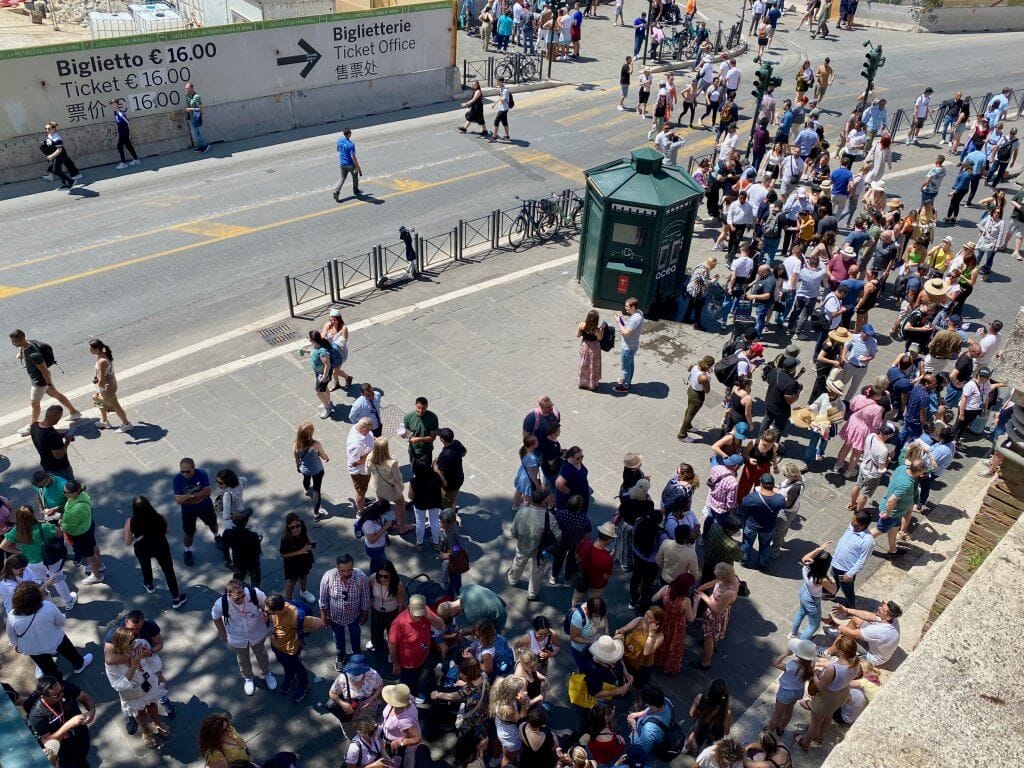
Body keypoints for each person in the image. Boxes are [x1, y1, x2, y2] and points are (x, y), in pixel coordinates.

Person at [6, 582, 93, 680]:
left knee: (48, 668)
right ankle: (79, 664)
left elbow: (13, 640)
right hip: (55, 640)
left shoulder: (11, 616)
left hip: (33, 649)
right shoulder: (47, 606)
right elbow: (61, 622)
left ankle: (57, 683)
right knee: (69, 650)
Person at [104, 626, 169, 748]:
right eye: (129, 642)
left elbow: (152, 659)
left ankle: (157, 723)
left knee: (153, 705)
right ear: (120, 644)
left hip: (149, 682)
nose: (134, 643)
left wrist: (159, 674)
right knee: (140, 712)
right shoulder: (112, 665)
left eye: (133, 639)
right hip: (133, 691)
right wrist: (134, 664)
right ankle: (146, 731)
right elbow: (117, 685)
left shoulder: (139, 644)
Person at [10, 330, 82, 438]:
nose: (13, 344)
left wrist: (49, 384)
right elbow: (26, 352)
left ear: (21, 339)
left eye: (14, 342)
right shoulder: (28, 344)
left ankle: (32, 426)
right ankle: (74, 412)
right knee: (55, 394)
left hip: (39, 382)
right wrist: (21, 355)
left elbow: (45, 371)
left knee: (35, 404)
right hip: (42, 381)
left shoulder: (33, 354)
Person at [1, 505, 75, 609]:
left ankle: (49, 605)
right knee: (58, 580)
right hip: (49, 560)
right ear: (32, 516)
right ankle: (69, 601)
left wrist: (20, 551)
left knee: (40, 585)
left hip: (31, 563)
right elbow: (59, 533)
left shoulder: (16, 531)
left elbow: (3, 546)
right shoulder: (43, 527)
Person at [212, 579, 277, 696]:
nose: (241, 600)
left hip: (257, 632)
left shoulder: (255, 594)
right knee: (243, 658)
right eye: (236, 599)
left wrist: (266, 614)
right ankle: (248, 677)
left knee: (261, 653)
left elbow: (266, 606)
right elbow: (215, 617)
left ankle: (267, 673)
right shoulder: (221, 604)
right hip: (237, 637)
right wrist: (223, 635)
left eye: (242, 596)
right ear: (228, 594)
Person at [795, 635, 859, 752]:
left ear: (842, 652)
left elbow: (820, 686)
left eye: (837, 647)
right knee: (828, 716)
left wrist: (814, 673)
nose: (834, 648)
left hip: (827, 699)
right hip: (842, 693)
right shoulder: (856, 662)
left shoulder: (833, 669)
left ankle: (805, 743)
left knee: (815, 723)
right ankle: (819, 738)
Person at [124, 496, 187, 607]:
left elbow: (128, 542)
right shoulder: (159, 516)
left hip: (142, 548)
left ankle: (149, 585)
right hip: (160, 546)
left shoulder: (130, 522)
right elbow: (167, 531)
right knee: (168, 571)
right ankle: (176, 598)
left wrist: (136, 534)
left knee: (145, 565)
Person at [267, 592, 326, 702]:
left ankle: (304, 685)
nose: (266, 611)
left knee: (297, 667)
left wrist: (298, 632)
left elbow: (321, 623)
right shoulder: (273, 609)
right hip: (277, 645)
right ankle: (289, 677)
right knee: (285, 664)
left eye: (269, 611)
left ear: (277, 611)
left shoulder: (294, 617)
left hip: (290, 650)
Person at [28, 676, 96, 768]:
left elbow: (85, 697)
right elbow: (47, 741)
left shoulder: (64, 687)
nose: (62, 694)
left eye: (61, 690)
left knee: (83, 758)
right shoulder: (37, 715)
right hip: (63, 748)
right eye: (57, 695)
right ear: (43, 696)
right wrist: (68, 725)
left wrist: (91, 712)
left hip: (80, 734)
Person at [320, 554, 371, 671]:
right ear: (337, 568)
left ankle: (357, 654)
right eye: (342, 571)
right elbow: (323, 600)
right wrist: (324, 617)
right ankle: (340, 655)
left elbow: (366, 598)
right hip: (335, 617)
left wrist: (364, 614)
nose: (346, 573)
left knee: (355, 635)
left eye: (349, 570)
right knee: (338, 637)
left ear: (353, 567)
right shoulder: (328, 577)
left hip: (354, 616)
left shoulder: (361, 578)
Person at [508, 489, 560, 601]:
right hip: (540, 551)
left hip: (523, 545)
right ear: (543, 502)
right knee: (537, 573)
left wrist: (519, 538)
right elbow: (558, 535)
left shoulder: (521, 512)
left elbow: (513, 531)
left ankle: (513, 580)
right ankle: (532, 594)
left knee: (518, 563)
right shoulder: (549, 517)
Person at [389, 594, 445, 694]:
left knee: (421, 677)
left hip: (424, 658)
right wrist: (396, 664)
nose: (418, 617)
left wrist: (430, 617)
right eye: (416, 614)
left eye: (420, 614)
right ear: (409, 607)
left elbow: (441, 626)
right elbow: (392, 644)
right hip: (407, 665)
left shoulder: (426, 611)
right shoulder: (399, 623)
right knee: (407, 686)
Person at [872, 459, 926, 556]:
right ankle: (857, 543)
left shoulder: (901, 468)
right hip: (891, 514)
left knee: (894, 530)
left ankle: (893, 550)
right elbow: (891, 500)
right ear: (919, 472)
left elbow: (892, 479)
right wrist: (887, 514)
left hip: (897, 514)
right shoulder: (907, 484)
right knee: (877, 531)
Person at [826, 599, 902, 666]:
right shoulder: (893, 620)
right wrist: (846, 610)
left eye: (882, 609)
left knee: (845, 638)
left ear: (888, 617)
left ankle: (828, 652)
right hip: (882, 650)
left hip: (873, 657)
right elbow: (867, 615)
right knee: (855, 620)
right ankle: (838, 638)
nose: (879, 607)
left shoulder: (878, 630)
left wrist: (834, 624)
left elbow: (852, 633)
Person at [173, 457, 219, 566]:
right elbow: (179, 500)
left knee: (213, 523)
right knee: (189, 533)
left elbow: (207, 492)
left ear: (194, 468)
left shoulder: (202, 474)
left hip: (205, 507)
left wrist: (189, 496)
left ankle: (217, 536)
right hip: (188, 511)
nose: (185, 474)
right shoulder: (177, 479)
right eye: (182, 471)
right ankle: (187, 551)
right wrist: (198, 496)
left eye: (188, 471)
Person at [694, 563, 739, 670]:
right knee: (714, 635)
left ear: (724, 577)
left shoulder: (729, 592)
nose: (716, 578)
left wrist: (703, 596)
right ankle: (714, 644)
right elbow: (718, 581)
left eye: (718, 576)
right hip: (716, 610)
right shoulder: (732, 578)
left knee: (708, 638)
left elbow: (717, 610)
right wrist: (707, 585)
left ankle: (705, 663)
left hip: (716, 617)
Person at [766, 639, 815, 738]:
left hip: (786, 692)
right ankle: (781, 728)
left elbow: (776, 663)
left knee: (777, 714)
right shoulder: (811, 665)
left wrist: (786, 653)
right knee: (789, 710)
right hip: (798, 691)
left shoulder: (793, 665)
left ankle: (768, 733)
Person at [738, 474, 785, 570]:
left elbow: (742, 508)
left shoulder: (752, 497)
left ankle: (744, 560)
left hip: (751, 526)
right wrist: (778, 492)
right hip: (768, 528)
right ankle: (762, 563)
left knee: (746, 544)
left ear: (761, 484)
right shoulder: (779, 499)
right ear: (773, 485)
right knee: (766, 546)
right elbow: (784, 504)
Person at [366, 437, 411, 534]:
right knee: (400, 504)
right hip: (391, 489)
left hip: (377, 487)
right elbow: (398, 478)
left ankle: (387, 523)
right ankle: (402, 527)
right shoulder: (392, 462)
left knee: (383, 506)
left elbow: (367, 471)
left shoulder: (370, 456)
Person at [327, 654, 383, 729]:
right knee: (351, 728)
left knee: (368, 725)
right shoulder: (342, 678)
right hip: (350, 711)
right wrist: (342, 703)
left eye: (359, 673)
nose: (356, 676)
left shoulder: (373, 675)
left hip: (369, 710)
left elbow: (380, 685)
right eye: (353, 673)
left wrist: (372, 698)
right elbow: (332, 693)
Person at [684, 678, 732, 755]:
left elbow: (691, 713)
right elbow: (726, 731)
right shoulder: (726, 713)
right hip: (714, 736)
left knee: (693, 736)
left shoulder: (700, 698)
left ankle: (685, 749)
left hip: (699, 728)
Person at [571, 522, 615, 606]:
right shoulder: (607, 558)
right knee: (593, 602)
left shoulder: (584, 543)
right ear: (608, 539)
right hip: (597, 584)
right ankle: (589, 613)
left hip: (582, 577)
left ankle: (573, 608)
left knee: (577, 595)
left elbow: (577, 556)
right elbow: (606, 576)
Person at [381, 683, 424, 768]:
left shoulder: (404, 721)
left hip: (400, 750)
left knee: (405, 764)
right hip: (388, 743)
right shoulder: (409, 699)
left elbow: (417, 738)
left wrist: (400, 743)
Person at [294, 422, 330, 520]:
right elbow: (323, 455)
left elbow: (296, 458)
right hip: (317, 470)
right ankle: (316, 514)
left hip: (305, 469)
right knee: (316, 490)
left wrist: (298, 466)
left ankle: (306, 489)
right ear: (310, 433)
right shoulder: (316, 444)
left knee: (306, 479)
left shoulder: (296, 444)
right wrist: (326, 458)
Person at [369, 559, 406, 654]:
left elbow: (401, 601)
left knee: (392, 633)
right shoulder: (373, 578)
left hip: (392, 612)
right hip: (376, 610)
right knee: (376, 630)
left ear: (391, 575)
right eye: (380, 575)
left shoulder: (397, 584)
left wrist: (399, 617)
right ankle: (375, 643)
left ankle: (391, 652)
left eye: (386, 576)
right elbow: (369, 593)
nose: (382, 579)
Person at [280, 513, 317, 602]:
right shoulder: (285, 538)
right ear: (288, 527)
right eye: (292, 527)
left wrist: (310, 541)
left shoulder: (302, 524)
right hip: (292, 562)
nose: (296, 529)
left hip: (305, 556)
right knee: (291, 581)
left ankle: (303, 592)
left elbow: (306, 532)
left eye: (297, 525)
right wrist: (300, 552)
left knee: (304, 574)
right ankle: (289, 601)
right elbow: (283, 554)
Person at [677, 356, 715, 442]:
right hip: (697, 396)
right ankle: (682, 435)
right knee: (690, 414)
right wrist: (708, 380)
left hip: (691, 390)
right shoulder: (703, 377)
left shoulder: (695, 366)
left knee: (689, 410)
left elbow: (689, 369)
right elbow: (707, 390)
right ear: (709, 366)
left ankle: (688, 426)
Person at [222, 510, 262, 587]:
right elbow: (258, 551)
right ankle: (255, 595)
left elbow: (225, 549)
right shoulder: (253, 535)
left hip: (238, 561)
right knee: (255, 581)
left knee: (238, 581)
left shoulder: (228, 533)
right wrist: (259, 540)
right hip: (252, 562)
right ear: (246, 522)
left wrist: (228, 561)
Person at [615, 298, 644, 393]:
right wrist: (622, 320)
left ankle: (625, 386)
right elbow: (629, 327)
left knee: (626, 367)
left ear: (633, 307)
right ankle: (628, 381)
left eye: (627, 306)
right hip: (633, 345)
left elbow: (627, 333)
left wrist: (618, 322)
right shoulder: (639, 313)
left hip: (628, 347)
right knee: (630, 365)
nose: (625, 308)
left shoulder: (635, 319)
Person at [436, 428, 467, 509]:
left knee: (447, 504)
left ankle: (452, 516)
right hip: (459, 477)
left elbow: (440, 472)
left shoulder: (445, 455)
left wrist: (435, 466)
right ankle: (453, 505)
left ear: (442, 440)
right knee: (453, 496)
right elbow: (464, 452)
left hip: (450, 484)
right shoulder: (457, 443)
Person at [403, 397, 439, 464]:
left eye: (423, 408)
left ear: (427, 407)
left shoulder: (433, 418)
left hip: (426, 450)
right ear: (415, 405)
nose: (420, 410)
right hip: (413, 450)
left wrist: (418, 439)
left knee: (427, 470)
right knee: (414, 469)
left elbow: (432, 438)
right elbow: (407, 433)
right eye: (418, 408)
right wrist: (403, 435)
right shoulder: (408, 417)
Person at [334, 129, 363, 199]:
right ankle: (356, 191)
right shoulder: (351, 145)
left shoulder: (339, 140)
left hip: (342, 164)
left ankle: (337, 190)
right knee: (355, 177)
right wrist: (358, 167)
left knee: (343, 178)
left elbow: (338, 149)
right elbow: (353, 157)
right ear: (349, 134)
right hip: (350, 164)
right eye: (350, 133)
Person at [183, 82, 208, 152]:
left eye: (188, 88)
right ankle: (200, 147)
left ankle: (205, 145)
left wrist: (190, 109)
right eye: (186, 89)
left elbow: (201, 108)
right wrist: (186, 113)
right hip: (191, 117)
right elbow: (187, 105)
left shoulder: (196, 97)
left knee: (196, 133)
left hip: (196, 117)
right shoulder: (187, 96)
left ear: (192, 88)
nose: (187, 90)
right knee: (194, 134)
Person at [491, 77, 513, 142]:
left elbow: (502, 100)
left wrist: (498, 94)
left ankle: (494, 137)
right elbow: (500, 98)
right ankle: (507, 136)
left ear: (501, 82)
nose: (496, 82)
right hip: (502, 108)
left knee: (496, 121)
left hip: (504, 109)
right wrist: (495, 103)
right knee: (504, 122)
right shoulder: (500, 88)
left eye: (497, 81)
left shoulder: (505, 90)